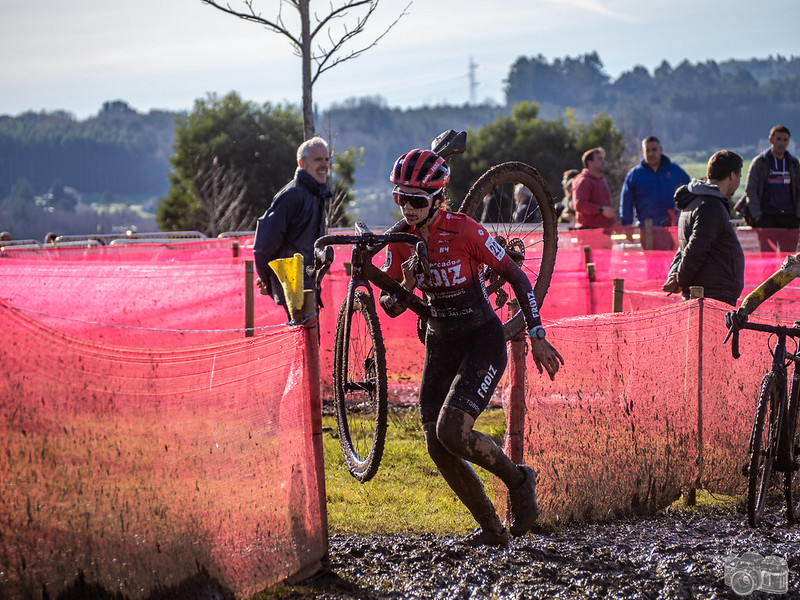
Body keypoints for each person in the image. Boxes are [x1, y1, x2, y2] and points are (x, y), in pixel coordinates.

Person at [379, 148, 564, 546]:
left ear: (437, 199)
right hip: (440, 344)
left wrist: (537, 334)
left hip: (482, 340)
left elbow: (518, 277)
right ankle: (492, 530)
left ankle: (518, 479)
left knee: (452, 430)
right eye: (400, 197)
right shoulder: (399, 240)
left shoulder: (465, 231)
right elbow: (391, 306)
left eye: (416, 200)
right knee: (436, 443)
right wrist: (408, 283)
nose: (407, 208)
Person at [253, 136, 332, 319]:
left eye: (327, 159)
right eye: (318, 159)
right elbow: (265, 243)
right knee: (304, 337)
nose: (324, 165)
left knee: (310, 339)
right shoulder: (292, 195)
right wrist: (268, 280)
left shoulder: (315, 193)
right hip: (293, 283)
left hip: (308, 282)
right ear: (301, 163)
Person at [662, 150, 745, 306]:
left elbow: (683, 249)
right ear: (732, 175)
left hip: (705, 292)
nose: (738, 181)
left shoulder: (695, 202)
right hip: (712, 294)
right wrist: (680, 279)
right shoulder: (711, 205)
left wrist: (676, 274)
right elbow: (696, 247)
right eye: (739, 176)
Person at [620, 136, 690, 250]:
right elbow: (626, 202)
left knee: (675, 264)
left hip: (674, 230)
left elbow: (690, 192)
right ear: (643, 152)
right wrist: (627, 225)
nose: (651, 153)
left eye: (654, 149)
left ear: (660, 150)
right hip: (647, 231)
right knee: (652, 264)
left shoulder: (676, 171)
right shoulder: (635, 175)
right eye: (647, 150)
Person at [744, 125, 800, 252]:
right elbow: (751, 189)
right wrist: (757, 215)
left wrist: (798, 215)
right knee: (767, 257)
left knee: (789, 259)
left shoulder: (793, 163)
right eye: (778, 139)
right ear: (771, 140)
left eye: (785, 140)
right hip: (766, 218)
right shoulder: (760, 163)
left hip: (790, 218)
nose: (781, 143)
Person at [572, 147, 615, 229]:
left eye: (603, 159)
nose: (603, 162)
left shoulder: (602, 180)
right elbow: (579, 205)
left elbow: (607, 209)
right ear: (589, 163)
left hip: (604, 231)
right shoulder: (583, 181)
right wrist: (600, 209)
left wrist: (613, 222)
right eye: (599, 159)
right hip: (588, 231)